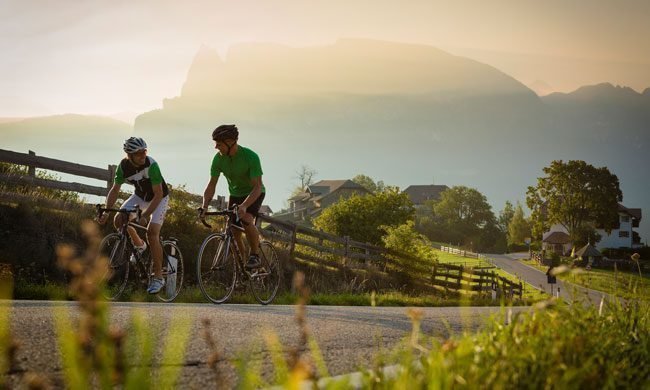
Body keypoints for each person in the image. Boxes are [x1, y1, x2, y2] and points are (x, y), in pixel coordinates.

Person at [98, 137, 170, 294]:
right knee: (119, 220)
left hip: (160, 198)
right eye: (138, 153)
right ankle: (139, 245)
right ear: (129, 155)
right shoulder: (123, 167)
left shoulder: (151, 165)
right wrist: (106, 211)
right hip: (140, 196)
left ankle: (158, 278)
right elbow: (115, 189)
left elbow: (158, 194)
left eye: (145, 151)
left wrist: (146, 215)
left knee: (152, 233)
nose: (143, 155)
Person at [201, 124, 266, 269]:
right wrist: (204, 205)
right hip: (236, 194)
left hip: (254, 192)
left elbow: (257, 187)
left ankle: (255, 255)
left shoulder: (250, 157)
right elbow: (212, 184)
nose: (216, 147)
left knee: (246, 219)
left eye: (219, 144)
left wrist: (244, 206)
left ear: (230, 142)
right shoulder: (218, 159)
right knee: (233, 230)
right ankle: (242, 267)